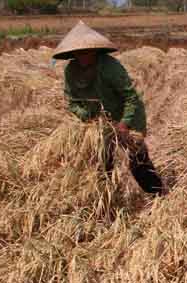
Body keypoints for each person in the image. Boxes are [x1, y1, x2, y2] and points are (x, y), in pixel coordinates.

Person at [53, 21, 165, 196]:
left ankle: (158, 194)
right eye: (79, 52)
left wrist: (124, 123)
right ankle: (108, 199)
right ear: (72, 53)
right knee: (103, 161)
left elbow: (130, 97)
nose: (83, 56)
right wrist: (86, 116)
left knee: (137, 160)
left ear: (96, 51)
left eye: (87, 52)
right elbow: (72, 102)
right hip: (98, 122)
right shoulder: (71, 71)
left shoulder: (110, 67)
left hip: (127, 115)